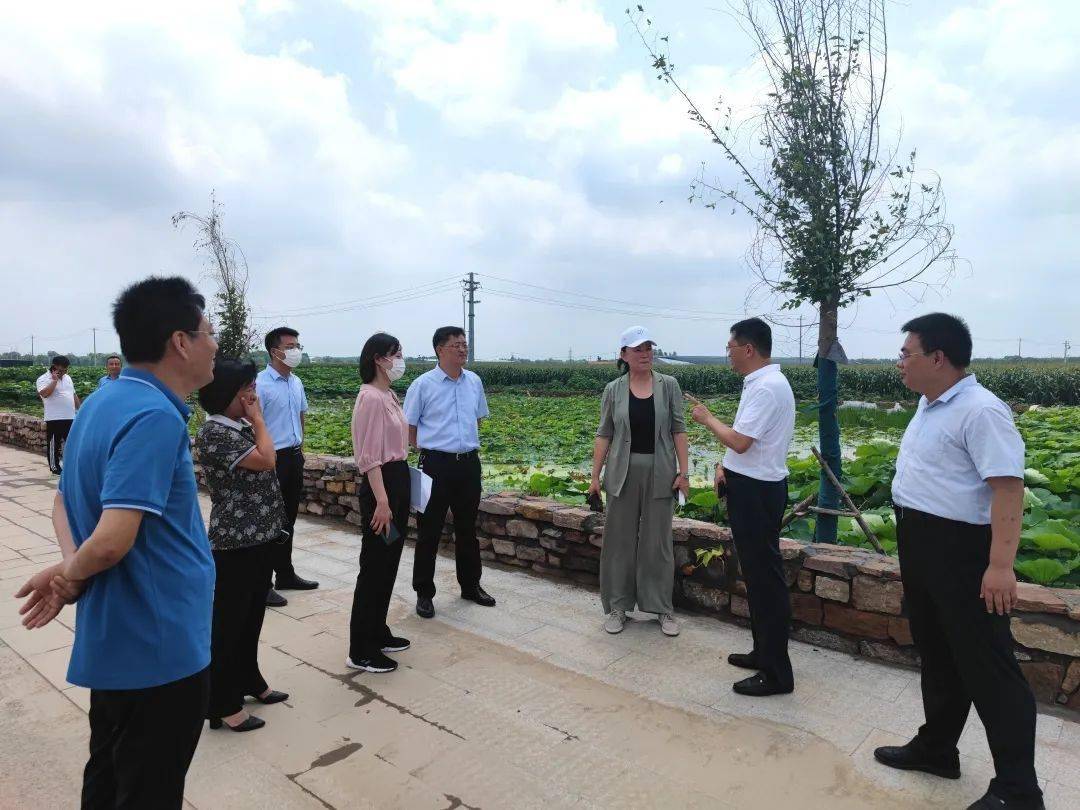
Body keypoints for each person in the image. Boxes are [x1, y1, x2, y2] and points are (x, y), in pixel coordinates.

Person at [15, 276, 218, 809]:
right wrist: (70, 576)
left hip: (118, 639)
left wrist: (70, 570)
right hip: (158, 646)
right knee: (148, 789)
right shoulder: (154, 416)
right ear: (180, 341)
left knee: (108, 776)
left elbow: (62, 502)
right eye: (209, 331)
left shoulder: (103, 403)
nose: (215, 343)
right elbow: (110, 541)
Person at [874, 314, 1043, 810]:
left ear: (938, 358)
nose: (900, 362)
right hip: (920, 542)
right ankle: (937, 748)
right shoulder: (930, 406)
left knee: (989, 667)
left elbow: (1008, 488)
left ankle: (1018, 789)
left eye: (907, 353)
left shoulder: (981, 411)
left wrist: (999, 566)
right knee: (939, 653)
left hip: (962, 552)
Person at [688, 317, 795, 697]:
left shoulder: (767, 388)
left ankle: (776, 673)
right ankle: (763, 652)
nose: (727, 355)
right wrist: (722, 465)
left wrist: (705, 419)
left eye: (730, 348)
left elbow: (741, 442)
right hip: (752, 484)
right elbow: (743, 445)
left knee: (766, 581)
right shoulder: (762, 384)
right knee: (758, 576)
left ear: (748, 349)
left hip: (757, 491)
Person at [194, 358, 290, 733]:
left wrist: (254, 421)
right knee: (229, 623)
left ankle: (250, 678)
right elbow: (267, 459)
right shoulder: (215, 433)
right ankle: (221, 702)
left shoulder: (236, 427)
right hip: (235, 542)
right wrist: (261, 421)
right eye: (246, 389)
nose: (253, 394)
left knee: (252, 616)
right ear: (227, 395)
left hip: (259, 537)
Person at [587, 326, 689, 637]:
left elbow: (679, 430)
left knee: (657, 543)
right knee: (618, 542)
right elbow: (604, 434)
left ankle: (661, 608)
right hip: (621, 473)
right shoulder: (613, 390)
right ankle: (618, 607)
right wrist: (594, 476)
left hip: (660, 472)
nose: (645, 353)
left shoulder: (668, 385)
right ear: (624, 355)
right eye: (637, 348)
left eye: (648, 347)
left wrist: (683, 473)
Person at [404, 326, 494, 618]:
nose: (463, 349)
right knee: (429, 530)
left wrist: (460, 445)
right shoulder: (423, 385)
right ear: (440, 349)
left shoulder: (474, 382)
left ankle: (471, 585)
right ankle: (424, 593)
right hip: (435, 465)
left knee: (468, 529)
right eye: (456, 345)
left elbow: (478, 420)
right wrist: (431, 450)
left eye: (464, 344)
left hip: (468, 463)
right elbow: (410, 427)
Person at [346, 333, 412, 673]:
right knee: (374, 565)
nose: (400, 358)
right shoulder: (370, 398)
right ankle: (361, 648)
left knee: (388, 561)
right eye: (394, 353)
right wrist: (382, 502)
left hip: (397, 483)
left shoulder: (389, 395)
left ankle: (378, 630)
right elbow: (368, 456)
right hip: (381, 489)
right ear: (378, 358)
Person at [257, 326, 318, 607]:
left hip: (293, 456)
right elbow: (253, 424)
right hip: (272, 459)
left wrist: (301, 449)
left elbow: (301, 415)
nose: (296, 351)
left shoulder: (296, 382)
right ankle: (262, 582)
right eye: (291, 346)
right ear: (275, 351)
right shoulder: (260, 384)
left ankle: (285, 573)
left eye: (297, 345)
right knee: (268, 521)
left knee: (288, 519)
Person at [36, 354, 80, 473]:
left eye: (66, 369)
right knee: (54, 444)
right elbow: (45, 394)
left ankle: (71, 465)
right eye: (61, 370)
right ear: (54, 367)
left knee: (72, 443)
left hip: (70, 416)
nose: (64, 372)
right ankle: (54, 467)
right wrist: (54, 381)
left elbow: (73, 395)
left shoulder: (68, 378)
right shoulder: (43, 379)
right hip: (54, 417)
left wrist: (80, 410)